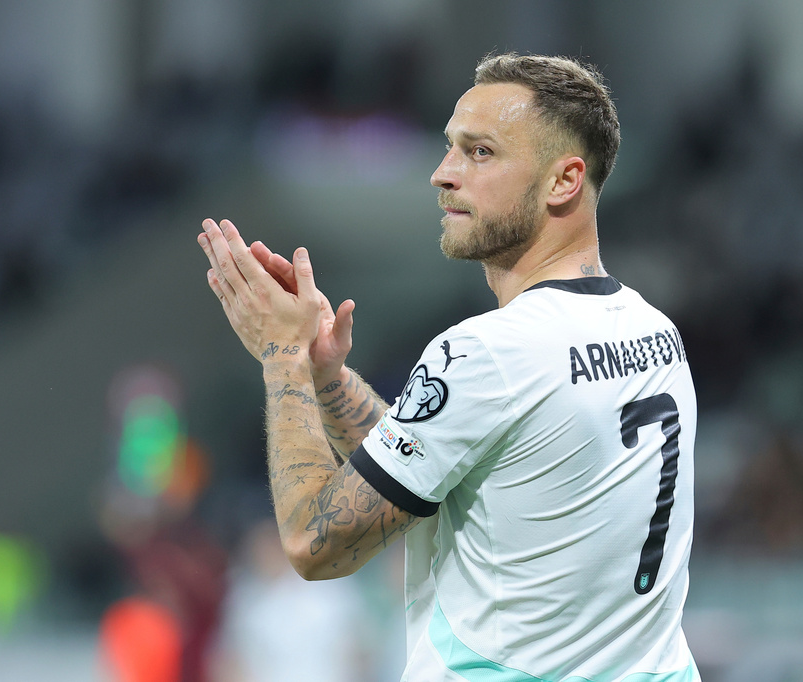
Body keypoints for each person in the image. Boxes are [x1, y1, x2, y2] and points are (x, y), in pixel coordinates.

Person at [197, 53, 701, 681]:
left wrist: (283, 360)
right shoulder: (655, 333)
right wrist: (327, 376)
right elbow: (436, 468)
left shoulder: (492, 352)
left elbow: (312, 545)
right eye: (449, 148)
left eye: (480, 152)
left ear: (563, 181)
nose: (442, 174)